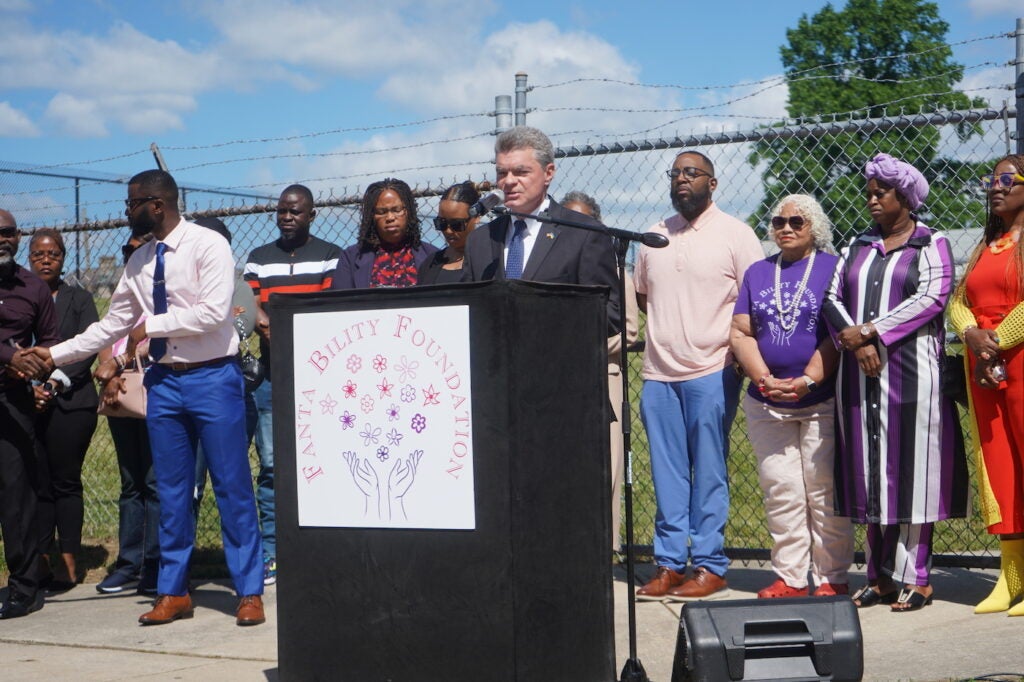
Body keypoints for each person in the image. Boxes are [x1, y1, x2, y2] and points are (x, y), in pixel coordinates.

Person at [28, 169, 265, 626]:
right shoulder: (138, 263)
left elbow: (215, 312)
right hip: (165, 383)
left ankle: (248, 589)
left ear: (156, 205)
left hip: (214, 377)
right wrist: (54, 353)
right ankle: (173, 591)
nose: (125, 211)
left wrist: (150, 327)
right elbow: (109, 325)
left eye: (131, 203)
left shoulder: (206, 245)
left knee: (231, 485)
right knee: (172, 490)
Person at [823, 153, 967, 612]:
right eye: (868, 192)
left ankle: (916, 576)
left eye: (880, 193)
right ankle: (879, 575)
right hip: (856, 379)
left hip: (911, 377)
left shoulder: (931, 243)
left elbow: (932, 298)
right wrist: (856, 341)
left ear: (905, 197)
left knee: (910, 472)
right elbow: (831, 297)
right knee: (868, 473)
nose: (870, 200)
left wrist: (872, 332)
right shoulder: (856, 244)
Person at [632, 151, 763, 601]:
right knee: (667, 472)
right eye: (676, 173)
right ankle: (669, 565)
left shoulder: (737, 235)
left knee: (708, 470)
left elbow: (755, 302)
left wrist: (732, 352)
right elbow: (646, 298)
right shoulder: (653, 235)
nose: (682, 179)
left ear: (713, 182)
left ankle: (709, 565)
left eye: (692, 173)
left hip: (714, 369)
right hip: (658, 374)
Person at [730, 194, 854, 598]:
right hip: (767, 401)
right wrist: (764, 378)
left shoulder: (833, 269)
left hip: (820, 399)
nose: (785, 227)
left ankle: (832, 575)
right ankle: (791, 577)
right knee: (781, 488)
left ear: (814, 226)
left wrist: (807, 380)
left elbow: (839, 333)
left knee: (822, 488)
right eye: (778, 221)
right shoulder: (758, 272)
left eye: (796, 221)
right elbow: (741, 332)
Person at [244, 186, 341, 584]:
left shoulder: (331, 254)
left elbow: (330, 305)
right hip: (270, 375)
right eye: (281, 210)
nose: (287, 216)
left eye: (295, 211)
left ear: (312, 215)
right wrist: (265, 322)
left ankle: (320, 547)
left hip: (320, 379)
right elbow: (246, 305)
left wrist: (293, 327)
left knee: (324, 461)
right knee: (271, 467)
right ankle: (273, 552)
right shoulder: (258, 259)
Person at [948, 153, 1024, 615]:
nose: (996, 187)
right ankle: (1012, 576)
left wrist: (995, 340)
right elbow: (959, 300)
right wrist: (969, 333)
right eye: (990, 180)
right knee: (999, 465)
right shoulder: (985, 246)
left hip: (1016, 360)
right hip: (986, 370)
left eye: (1007, 180)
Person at [461, 126, 621, 335]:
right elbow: (464, 310)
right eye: (502, 172)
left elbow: (609, 315)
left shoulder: (584, 234)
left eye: (521, 172)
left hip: (557, 361)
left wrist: (539, 318)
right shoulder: (480, 241)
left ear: (548, 173)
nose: (508, 181)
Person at [561, 190, 640, 552]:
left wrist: (576, 343)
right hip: (557, 378)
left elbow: (629, 330)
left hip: (602, 376)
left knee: (605, 470)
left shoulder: (616, 270)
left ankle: (603, 549)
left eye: (583, 220)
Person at [27, 228, 101, 591]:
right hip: (27, 402)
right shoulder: (18, 296)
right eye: (38, 254)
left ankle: (69, 562)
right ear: (29, 258)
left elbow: (86, 348)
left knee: (65, 481)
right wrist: (30, 388)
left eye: (52, 254)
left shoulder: (79, 298)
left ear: (62, 258)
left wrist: (52, 383)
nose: (45, 260)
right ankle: (41, 558)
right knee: (37, 482)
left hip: (72, 403)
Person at [0, 209, 60, 619]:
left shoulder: (33, 288)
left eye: (6, 232)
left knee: (15, 495)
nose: (0, 239)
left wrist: (43, 378)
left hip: (12, 401)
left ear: (17, 237)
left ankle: (24, 586)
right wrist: (10, 356)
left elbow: (52, 341)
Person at [95, 232, 161, 596]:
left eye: (140, 250)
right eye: (128, 251)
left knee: (154, 483)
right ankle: (128, 564)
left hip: (154, 398)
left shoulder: (160, 298)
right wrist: (110, 373)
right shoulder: (122, 298)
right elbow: (107, 337)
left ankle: (154, 565)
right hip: (120, 396)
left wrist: (124, 362)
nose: (133, 256)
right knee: (130, 484)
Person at [331, 178, 436, 290]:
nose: (390, 217)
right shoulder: (351, 257)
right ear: (372, 216)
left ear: (409, 211)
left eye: (397, 210)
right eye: (381, 212)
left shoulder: (432, 256)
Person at [418, 181, 482, 284]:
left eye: (456, 224)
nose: (448, 231)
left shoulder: (489, 260)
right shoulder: (431, 263)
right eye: (441, 223)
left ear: (476, 217)